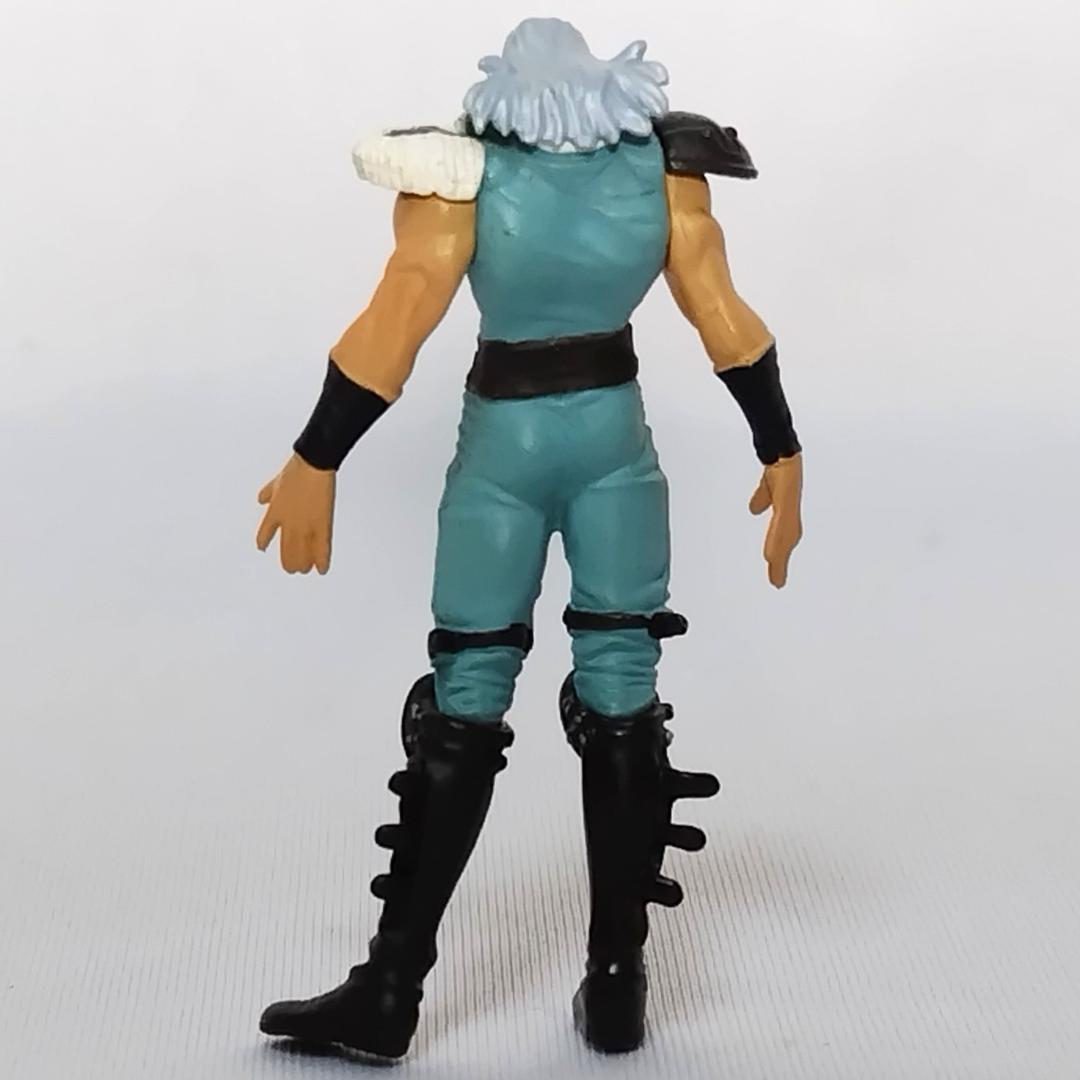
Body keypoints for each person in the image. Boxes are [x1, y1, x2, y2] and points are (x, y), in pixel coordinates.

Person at [254, 16, 803, 1060]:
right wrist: (780, 445)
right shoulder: (665, 174)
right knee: (622, 685)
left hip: (504, 447)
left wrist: (317, 455)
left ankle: (391, 991)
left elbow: (396, 325)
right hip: (614, 443)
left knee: (468, 689)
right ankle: (618, 984)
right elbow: (724, 317)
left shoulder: (461, 178)